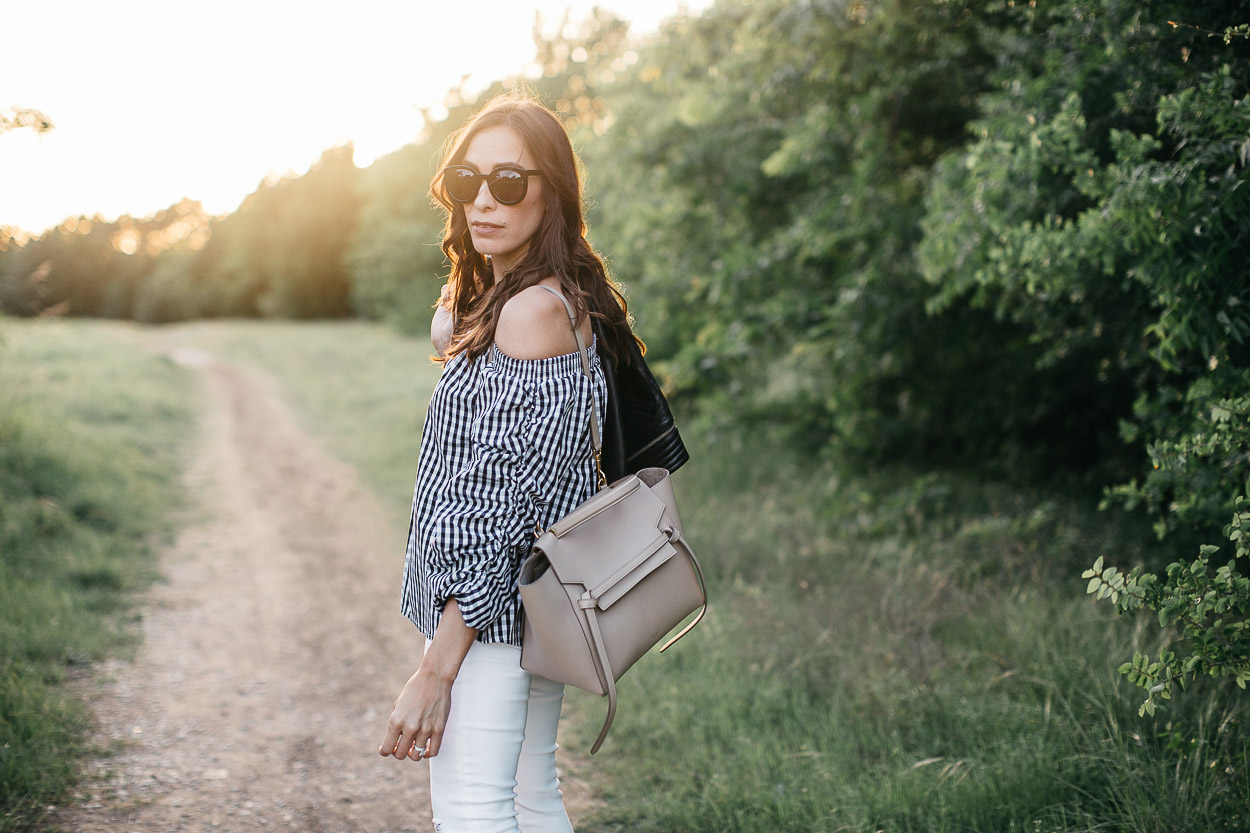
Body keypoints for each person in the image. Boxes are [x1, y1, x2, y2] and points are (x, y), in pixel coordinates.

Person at [378, 94, 637, 833]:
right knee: (528, 795)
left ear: (550, 192)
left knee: (473, 812)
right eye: (467, 182)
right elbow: (448, 323)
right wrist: (480, 279)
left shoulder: (527, 314)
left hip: (487, 614)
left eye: (510, 183)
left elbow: (500, 513)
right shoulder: (545, 297)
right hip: (531, 604)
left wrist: (437, 668)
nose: (483, 202)